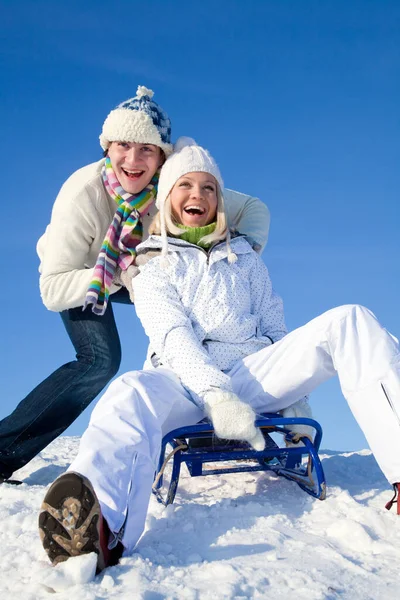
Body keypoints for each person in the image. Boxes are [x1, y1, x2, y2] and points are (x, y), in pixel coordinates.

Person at [38, 137, 400, 574]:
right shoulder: (150, 265)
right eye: (185, 185)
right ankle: (96, 527)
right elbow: (172, 336)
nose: (198, 195)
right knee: (128, 392)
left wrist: (293, 398)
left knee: (352, 319)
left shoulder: (246, 258)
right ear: (167, 197)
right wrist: (214, 393)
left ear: (220, 199)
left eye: (209, 187)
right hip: (182, 386)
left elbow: (273, 327)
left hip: (250, 376)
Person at [0, 89, 270, 484]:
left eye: (147, 149)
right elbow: (53, 288)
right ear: (108, 147)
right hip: (83, 275)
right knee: (99, 360)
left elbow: (254, 209)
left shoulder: (173, 184)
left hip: (146, 266)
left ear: (162, 157)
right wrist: (118, 273)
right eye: (123, 146)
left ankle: (201, 421)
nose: (133, 160)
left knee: (195, 318)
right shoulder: (83, 193)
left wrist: (239, 251)